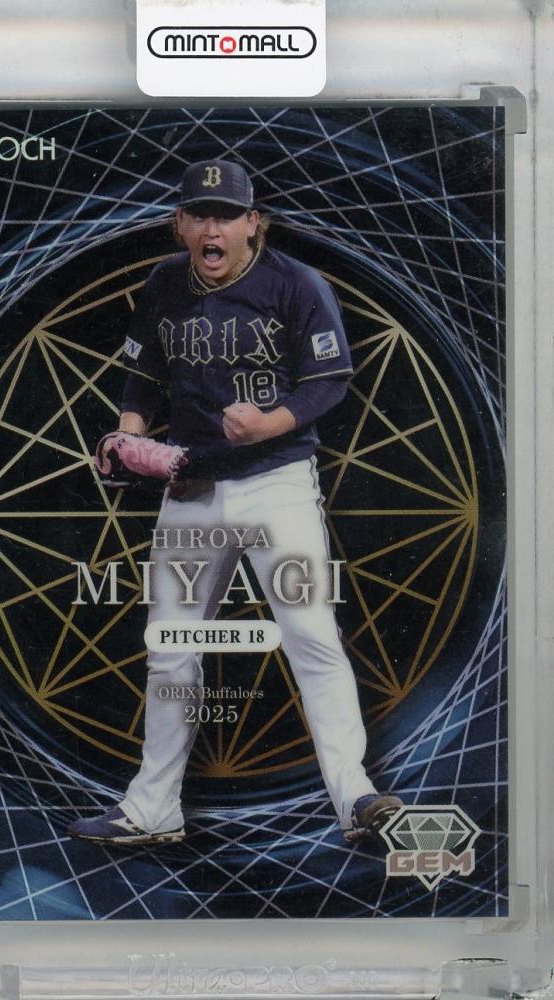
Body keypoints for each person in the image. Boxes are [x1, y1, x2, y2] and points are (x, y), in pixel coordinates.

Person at [68, 159, 402, 847]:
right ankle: (153, 810)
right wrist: (128, 437)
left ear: (254, 223)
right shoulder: (165, 283)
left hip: (276, 483)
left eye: (226, 215)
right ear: (180, 224)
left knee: (311, 636)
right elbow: (143, 374)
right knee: (170, 650)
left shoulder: (296, 284)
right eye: (199, 215)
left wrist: (271, 422)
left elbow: (329, 379)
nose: (212, 228)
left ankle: (356, 797)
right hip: (192, 488)